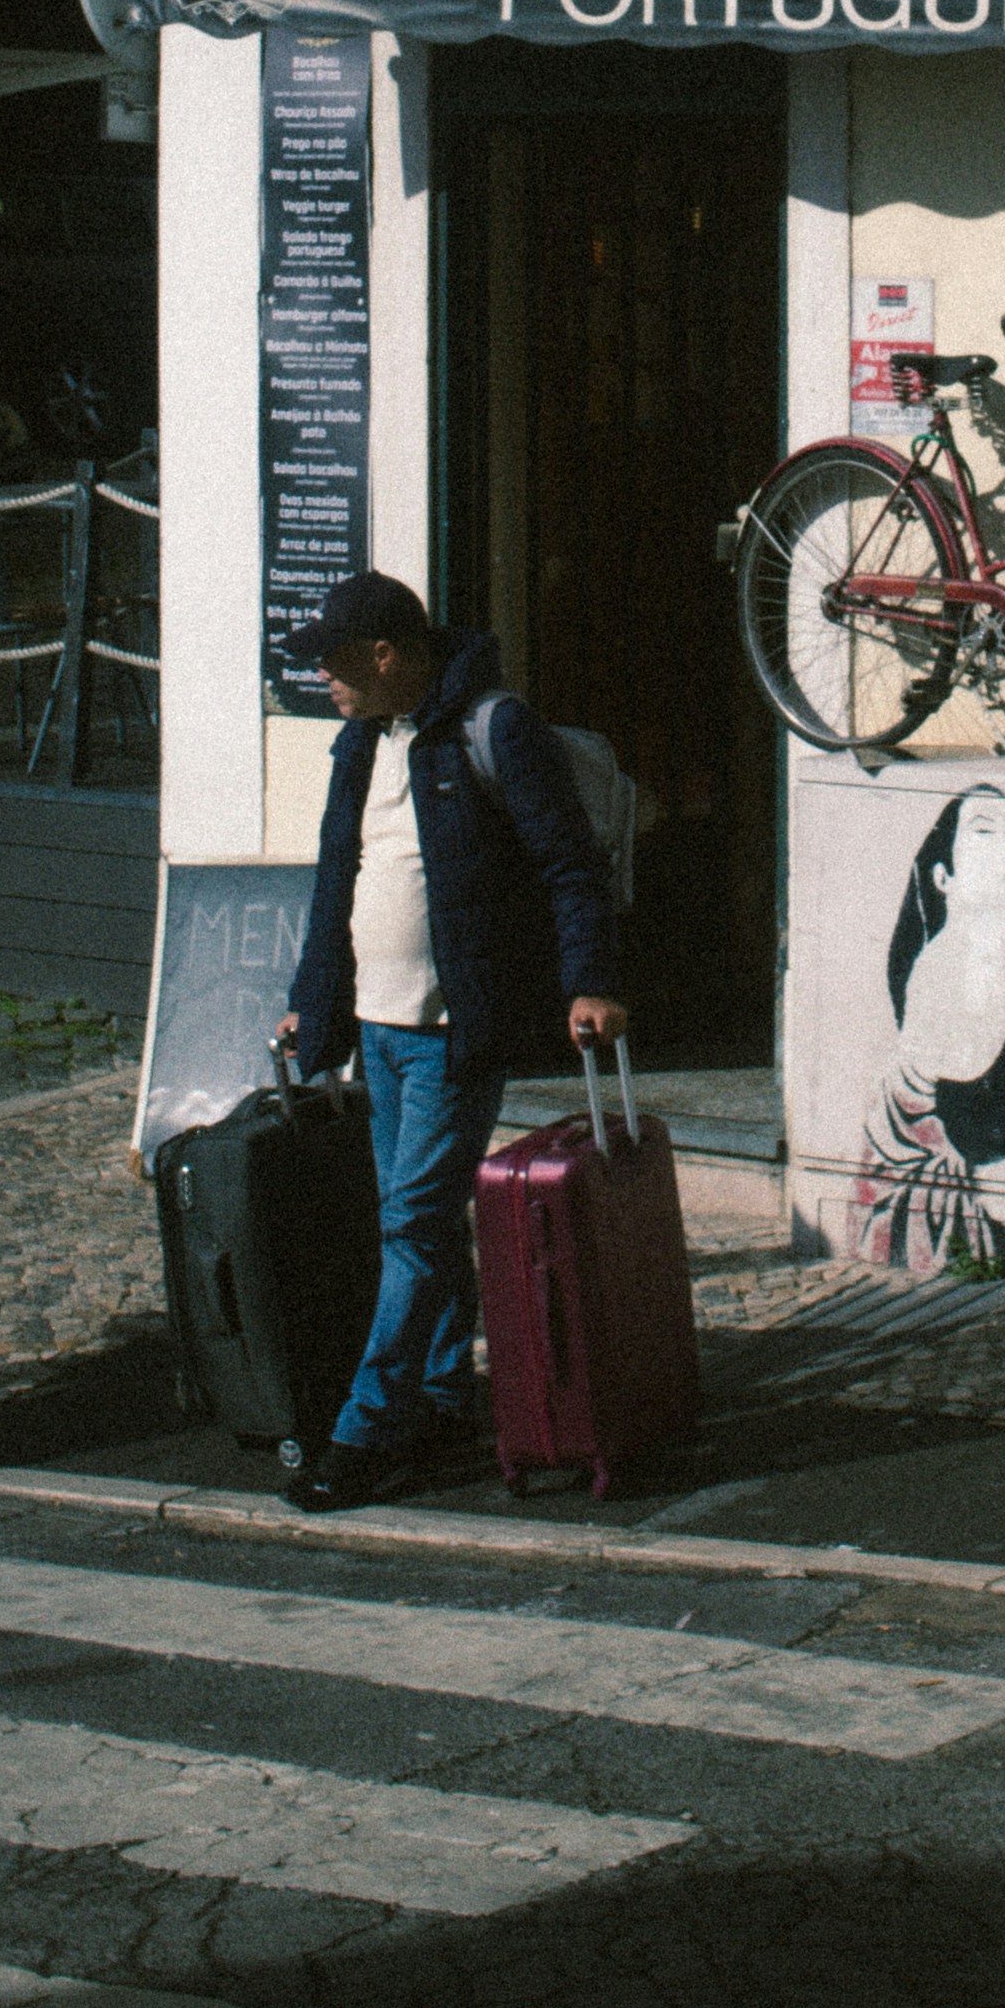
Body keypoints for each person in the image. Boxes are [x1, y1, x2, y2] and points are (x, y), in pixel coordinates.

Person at [279, 570, 623, 1510]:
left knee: (412, 1227)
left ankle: (365, 1430)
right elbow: (335, 879)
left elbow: (568, 864)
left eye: (337, 666)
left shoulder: (494, 728)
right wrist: (315, 1004)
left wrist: (591, 981)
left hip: (450, 1029)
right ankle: (438, 1397)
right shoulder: (361, 743)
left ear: (387, 656)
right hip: (379, 1026)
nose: (326, 684)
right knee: (415, 1224)